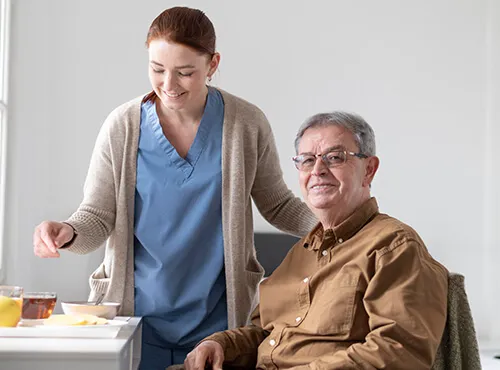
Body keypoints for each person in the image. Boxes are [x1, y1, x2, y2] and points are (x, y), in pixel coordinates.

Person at [32, 7, 316, 369]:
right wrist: (67, 231)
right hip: (134, 320)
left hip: (217, 324)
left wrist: (344, 229)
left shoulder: (245, 123)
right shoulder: (122, 126)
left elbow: (277, 204)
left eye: (185, 73)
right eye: (157, 69)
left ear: (213, 64)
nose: (168, 85)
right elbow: (97, 217)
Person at [184, 111, 449, 370]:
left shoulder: (394, 246)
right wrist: (219, 344)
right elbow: (267, 334)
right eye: (307, 160)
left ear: (369, 169)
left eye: (335, 158)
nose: (318, 170)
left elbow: (399, 351)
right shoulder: (301, 252)